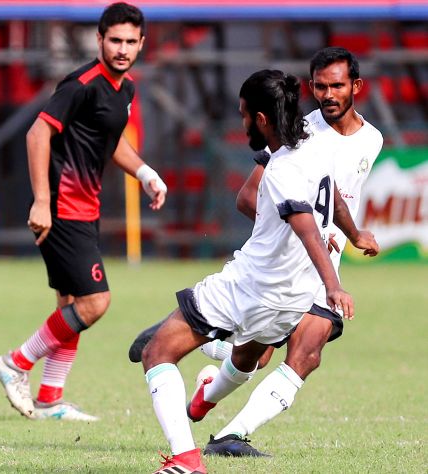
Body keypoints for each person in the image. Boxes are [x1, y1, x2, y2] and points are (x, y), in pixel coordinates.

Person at [140, 69, 378, 474]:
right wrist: (352, 235)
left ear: (262, 119)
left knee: (157, 352)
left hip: (250, 286)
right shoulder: (319, 144)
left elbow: (305, 224)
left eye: (244, 114)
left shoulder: (282, 168)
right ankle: (209, 372)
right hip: (292, 302)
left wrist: (334, 285)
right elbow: (335, 197)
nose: (243, 122)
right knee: (250, 356)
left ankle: (186, 460)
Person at [197, 47, 383, 457]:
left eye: (337, 86)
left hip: (323, 269)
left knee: (308, 353)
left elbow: (337, 198)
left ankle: (230, 436)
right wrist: (303, 231)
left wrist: (353, 235)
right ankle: (208, 377)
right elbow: (249, 198)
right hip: (286, 269)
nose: (328, 95)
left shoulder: (373, 139)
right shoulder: (298, 131)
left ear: (356, 86)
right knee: (255, 358)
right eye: (320, 86)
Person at [0, 2, 167, 422]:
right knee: (95, 302)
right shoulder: (82, 84)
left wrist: (145, 173)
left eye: (130, 41)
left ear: (141, 44)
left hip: (85, 207)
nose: (122, 49)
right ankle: (16, 363)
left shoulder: (125, 89)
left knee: (70, 305)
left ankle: (50, 399)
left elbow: (111, 141)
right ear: (99, 40)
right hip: (61, 208)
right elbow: (37, 134)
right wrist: (41, 201)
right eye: (115, 40)